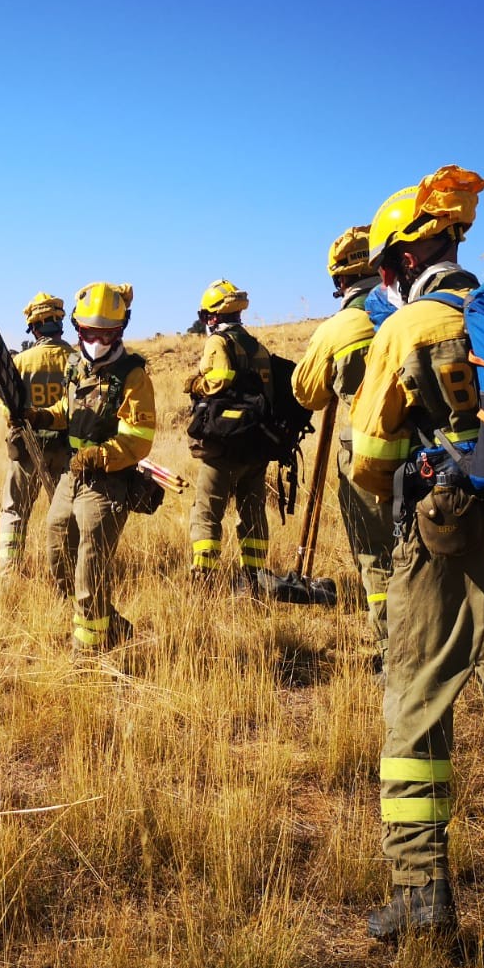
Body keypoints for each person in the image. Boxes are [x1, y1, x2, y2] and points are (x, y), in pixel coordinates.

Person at [350, 166, 484, 940]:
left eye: (384, 268)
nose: (384, 280)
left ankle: (419, 891)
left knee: (415, 698)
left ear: (405, 260)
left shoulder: (409, 327)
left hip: (448, 532)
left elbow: (370, 458)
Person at [30, 282, 157, 651]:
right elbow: (68, 410)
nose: (98, 340)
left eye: (107, 333)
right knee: (58, 550)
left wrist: (99, 456)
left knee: (91, 563)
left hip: (108, 482)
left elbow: (138, 440)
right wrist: (42, 416)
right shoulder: (76, 366)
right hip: (72, 475)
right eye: (89, 332)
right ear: (77, 328)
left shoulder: (133, 376)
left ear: (121, 329)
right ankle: (109, 622)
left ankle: (89, 648)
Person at [291, 227, 395, 661]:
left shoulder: (340, 328)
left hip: (370, 460)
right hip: (441, 456)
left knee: (378, 557)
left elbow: (306, 394)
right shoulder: (423, 311)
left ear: (339, 279)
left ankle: (394, 651)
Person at [183, 279, 273, 589]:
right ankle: (255, 579)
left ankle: (203, 579)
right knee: (253, 513)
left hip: (224, 446)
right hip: (256, 445)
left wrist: (196, 384)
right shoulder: (257, 346)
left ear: (211, 315)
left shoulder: (218, 342)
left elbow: (219, 380)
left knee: (206, 512)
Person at [0, 292, 74, 573]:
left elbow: (8, 411)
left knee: (15, 510)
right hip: (67, 451)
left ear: (34, 328)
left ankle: (8, 574)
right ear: (60, 323)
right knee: (66, 514)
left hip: (27, 450)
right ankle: (68, 572)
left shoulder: (20, 362)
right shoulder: (77, 361)